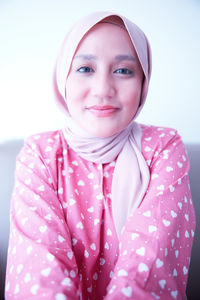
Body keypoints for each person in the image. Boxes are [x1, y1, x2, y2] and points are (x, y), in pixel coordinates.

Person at [5, 11, 196, 300]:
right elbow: (38, 270)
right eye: (85, 69)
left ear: (143, 83)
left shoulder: (162, 148)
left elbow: (149, 268)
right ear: (63, 78)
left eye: (123, 71)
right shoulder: (41, 154)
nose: (103, 90)